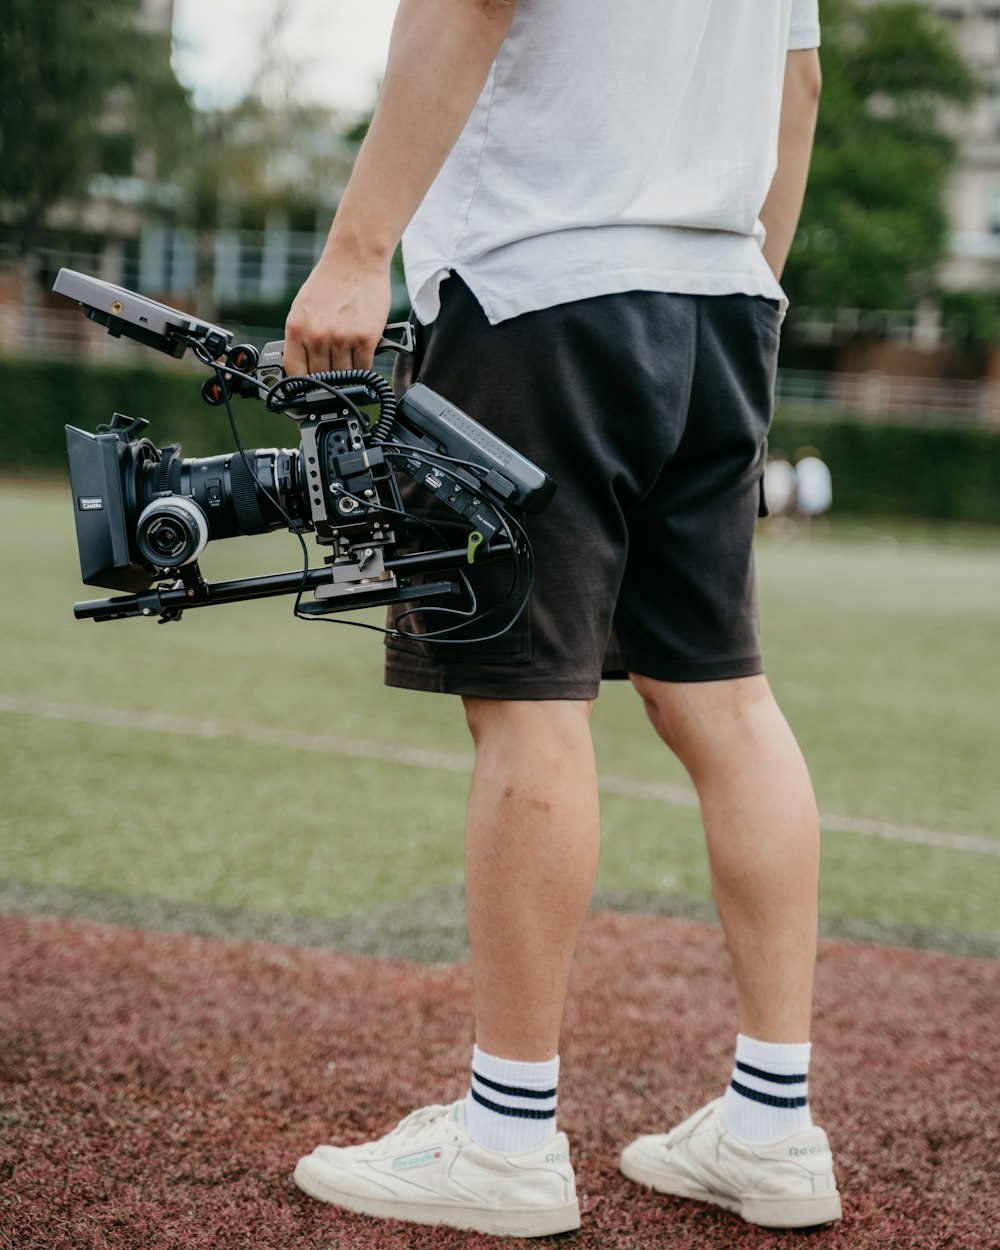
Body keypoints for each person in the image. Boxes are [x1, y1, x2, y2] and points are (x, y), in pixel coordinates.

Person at [285, 0, 840, 1237]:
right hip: (723, 295)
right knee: (728, 701)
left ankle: (507, 1133)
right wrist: (747, 285)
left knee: (527, 704)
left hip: (540, 283)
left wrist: (358, 246)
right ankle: (773, 1124)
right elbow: (796, 86)